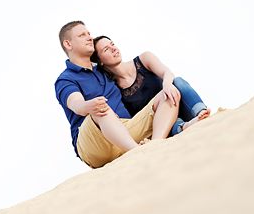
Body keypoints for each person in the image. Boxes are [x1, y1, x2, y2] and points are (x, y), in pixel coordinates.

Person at [54, 21, 180, 169]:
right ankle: (138, 152)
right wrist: (89, 105)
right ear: (68, 44)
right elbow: (76, 104)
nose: (89, 38)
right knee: (100, 108)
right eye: (82, 35)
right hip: (93, 142)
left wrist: (165, 82)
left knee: (168, 94)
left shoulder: (104, 71)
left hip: (125, 132)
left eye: (89, 34)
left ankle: (155, 145)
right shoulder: (66, 78)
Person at [91, 36, 211, 135]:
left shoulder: (144, 59)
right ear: (100, 61)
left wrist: (167, 84)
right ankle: (187, 126)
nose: (113, 49)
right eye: (106, 49)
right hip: (165, 126)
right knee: (164, 122)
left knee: (178, 81)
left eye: (112, 44)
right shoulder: (115, 90)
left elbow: (167, 72)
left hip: (181, 105)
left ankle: (201, 112)